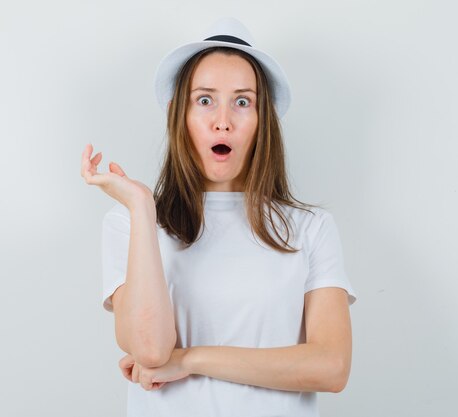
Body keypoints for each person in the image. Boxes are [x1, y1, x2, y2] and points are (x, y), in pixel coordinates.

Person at [80, 17, 357, 417]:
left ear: (264, 121)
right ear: (179, 114)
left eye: (242, 101)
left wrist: (190, 360)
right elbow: (151, 349)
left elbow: (331, 368)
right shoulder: (129, 223)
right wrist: (142, 207)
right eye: (205, 100)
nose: (222, 120)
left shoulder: (309, 228)